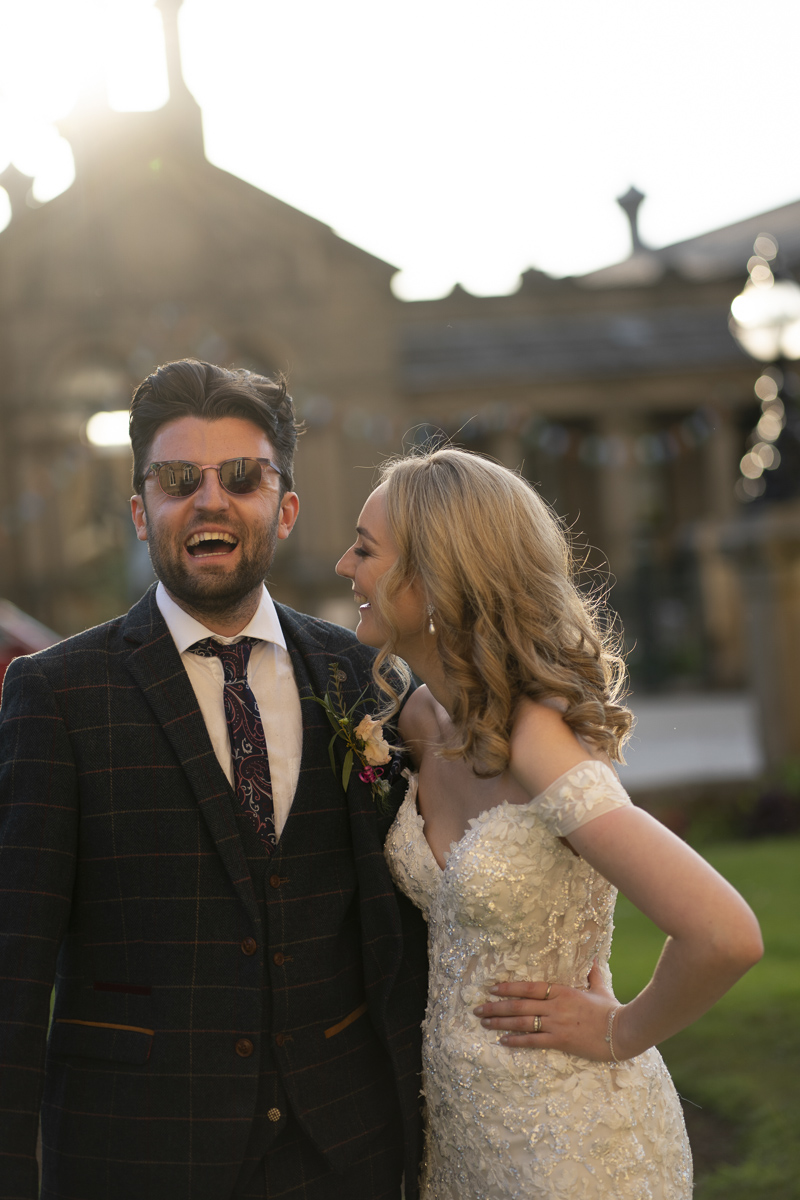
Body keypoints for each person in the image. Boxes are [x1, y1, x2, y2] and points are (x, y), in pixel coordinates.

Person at [0, 360, 428, 1200]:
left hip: (344, 1148)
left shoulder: (365, 679)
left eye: (241, 477)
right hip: (135, 1153)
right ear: (139, 511)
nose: (209, 500)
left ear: (286, 506)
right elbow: (13, 971)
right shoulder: (55, 694)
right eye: (175, 479)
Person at [335, 447, 764, 1200]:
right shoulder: (422, 720)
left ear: (434, 577)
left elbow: (725, 933)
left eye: (365, 550)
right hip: (462, 1143)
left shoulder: (538, 742)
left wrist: (620, 1031)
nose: (344, 565)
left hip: (570, 1147)